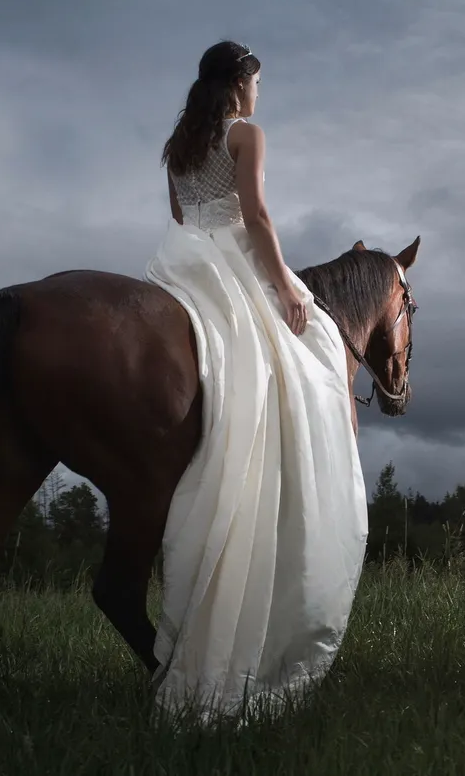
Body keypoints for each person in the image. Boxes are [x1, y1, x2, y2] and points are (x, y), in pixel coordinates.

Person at [143, 40, 368, 725]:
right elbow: (257, 217)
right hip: (236, 261)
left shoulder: (179, 144)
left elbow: (184, 220)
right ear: (241, 81)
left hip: (187, 264)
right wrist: (284, 288)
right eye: (257, 82)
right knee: (318, 348)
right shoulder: (245, 133)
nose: (259, 94)